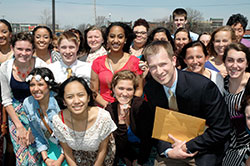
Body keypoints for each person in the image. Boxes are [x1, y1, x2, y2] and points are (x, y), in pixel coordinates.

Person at [143, 40, 230, 166]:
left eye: (163, 64)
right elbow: (156, 127)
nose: (159, 71)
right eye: (153, 67)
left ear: (173, 60)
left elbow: (221, 129)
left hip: (204, 147)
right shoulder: (151, 89)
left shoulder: (203, 87)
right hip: (171, 147)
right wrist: (168, 151)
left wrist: (186, 146)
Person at [0, 32, 47, 165]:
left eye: (28, 50)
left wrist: (33, 129)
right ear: (12, 48)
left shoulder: (41, 66)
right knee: (22, 157)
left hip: (39, 113)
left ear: (33, 51)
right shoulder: (5, 68)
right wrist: (19, 126)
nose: (23, 53)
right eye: (19, 49)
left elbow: (45, 98)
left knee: (38, 155)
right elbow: (6, 99)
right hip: (16, 115)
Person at [52, 76, 117, 166]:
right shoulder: (58, 120)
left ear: (88, 97)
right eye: (70, 97)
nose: (76, 101)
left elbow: (103, 150)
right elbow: (67, 152)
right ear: (64, 101)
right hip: (77, 159)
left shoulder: (102, 117)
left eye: (81, 95)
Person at [105, 70, 154, 166]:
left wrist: (139, 162)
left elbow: (147, 140)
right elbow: (120, 145)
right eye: (121, 88)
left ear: (134, 91)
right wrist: (121, 121)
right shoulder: (110, 110)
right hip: (125, 152)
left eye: (129, 89)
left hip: (146, 150)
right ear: (113, 89)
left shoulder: (141, 106)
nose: (124, 93)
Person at [91, 22, 143, 108]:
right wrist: (109, 107)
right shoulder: (97, 62)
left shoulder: (135, 62)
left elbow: (139, 89)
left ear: (125, 39)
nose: (115, 40)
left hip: (127, 109)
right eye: (112, 36)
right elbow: (94, 91)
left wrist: (128, 105)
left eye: (120, 37)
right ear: (107, 38)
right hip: (104, 109)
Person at [23, 67, 68, 166]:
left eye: (40, 84)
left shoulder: (60, 102)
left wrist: (60, 160)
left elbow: (70, 134)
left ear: (49, 86)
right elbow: (37, 134)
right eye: (32, 85)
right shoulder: (28, 103)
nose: (35, 89)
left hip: (68, 148)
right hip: (50, 147)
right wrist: (46, 158)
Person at [222, 43, 250, 166]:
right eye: (230, 60)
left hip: (246, 145)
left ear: (247, 63)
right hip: (227, 143)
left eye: (240, 61)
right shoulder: (222, 83)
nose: (235, 65)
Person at [0, 18, 14, 165]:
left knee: (12, 143)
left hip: (12, 103)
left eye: (4, 31)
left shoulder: (18, 53)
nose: (0, 35)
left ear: (10, 34)